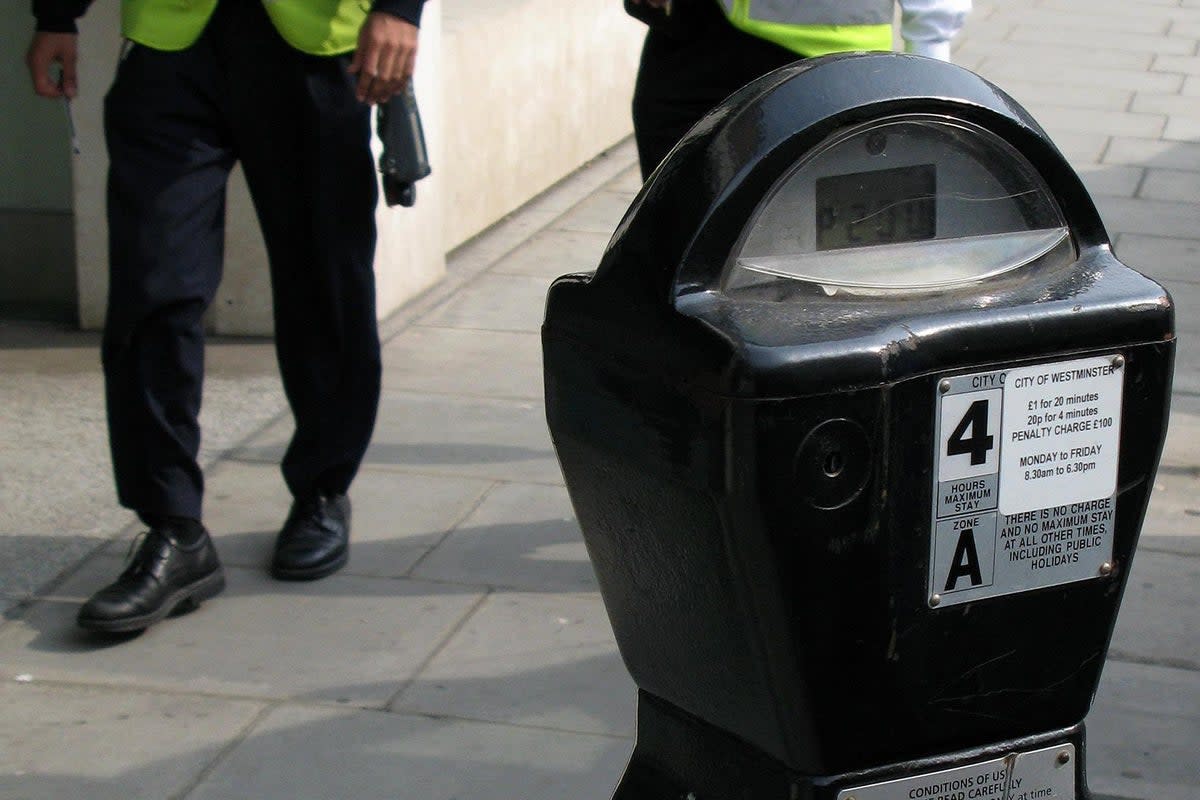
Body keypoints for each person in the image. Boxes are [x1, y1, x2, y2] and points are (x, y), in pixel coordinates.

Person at [25, 0, 425, 634]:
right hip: (171, 42)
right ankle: (173, 528)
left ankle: (322, 491)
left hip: (317, 45)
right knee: (152, 287)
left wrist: (400, 8)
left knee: (325, 283)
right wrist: (56, 14)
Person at [626, 0, 971, 179]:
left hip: (821, 64)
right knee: (670, 243)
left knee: (803, 264)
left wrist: (930, 75)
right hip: (689, 38)